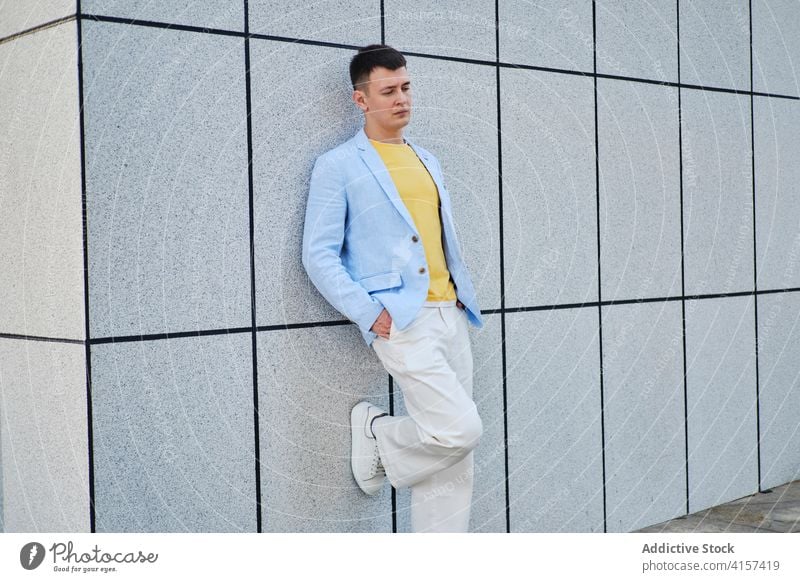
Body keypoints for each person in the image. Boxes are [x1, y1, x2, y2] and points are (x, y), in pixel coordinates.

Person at [301, 44, 484, 533]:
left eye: (406, 87)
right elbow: (317, 254)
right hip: (401, 319)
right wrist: (368, 313)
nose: (402, 99)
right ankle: (379, 434)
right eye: (388, 91)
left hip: (452, 313)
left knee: (454, 455)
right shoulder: (338, 165)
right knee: (459, 429)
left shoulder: (427, 159)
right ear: (361, 100)